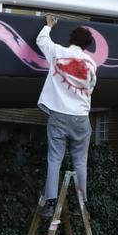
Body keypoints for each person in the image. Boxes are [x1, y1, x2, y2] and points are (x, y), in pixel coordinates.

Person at [35, 14, 98, 218]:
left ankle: (51, 202)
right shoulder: (91, 63)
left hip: (59, 114)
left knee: (55, 159)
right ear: (87, 45)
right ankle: (83, 204)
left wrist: (49, 26)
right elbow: (91, 87)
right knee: (80, 161)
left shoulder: (58, 52)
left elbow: (41, 41)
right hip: (81, 116)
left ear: (71, 39)